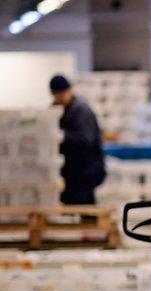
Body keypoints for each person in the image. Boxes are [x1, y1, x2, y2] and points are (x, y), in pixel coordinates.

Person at [49, 75, 106, 205]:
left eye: (62, 93)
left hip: (86, 171)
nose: (59, 98)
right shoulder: (62, 109)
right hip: (75, 172)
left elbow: (85, 140)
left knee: (83, 206)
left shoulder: (80, 110)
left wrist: (61, 135)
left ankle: (88, 224)